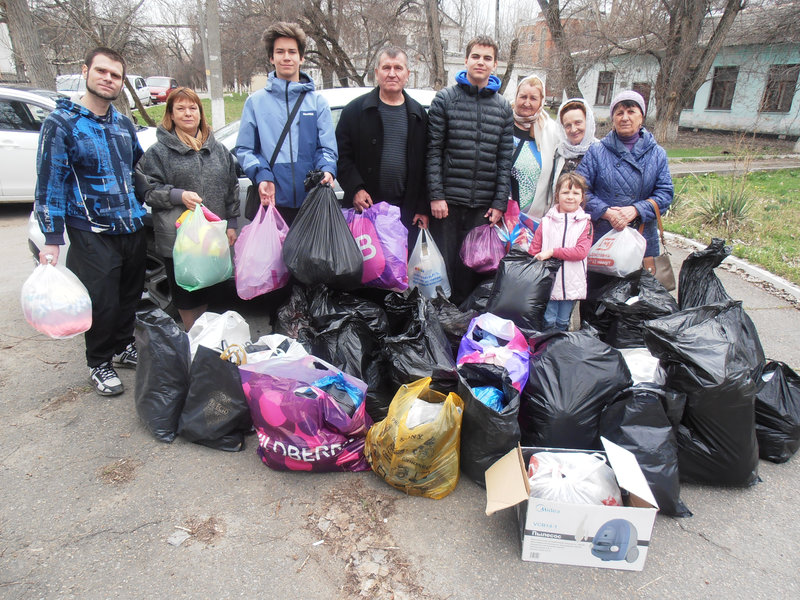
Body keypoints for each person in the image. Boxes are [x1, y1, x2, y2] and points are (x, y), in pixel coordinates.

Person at [35, 47, 145, 396]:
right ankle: (99, 363)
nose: (108, 79)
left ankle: (124, 346)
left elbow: (137, 170)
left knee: (130, 296)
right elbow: (49, 182)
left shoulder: (123, 124)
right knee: (102, 301)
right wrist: (51, 238)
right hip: (90, 230)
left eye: (115, 75)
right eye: (102, 71)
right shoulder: (62, 123)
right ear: (86, 71)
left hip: (131, 225)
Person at [136, 87, 240, 331]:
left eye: (193, 108)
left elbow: (231, 188)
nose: (187, 113)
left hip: (212, 237)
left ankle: (210, 342)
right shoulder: (158, 153)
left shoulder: (218, 150)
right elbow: (147, 190)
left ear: (200, 113)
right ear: (170, 115)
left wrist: (232, 223)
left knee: (213, 290)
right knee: (186, 292)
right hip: (180, 238)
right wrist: (177, 195)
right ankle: (193, 336)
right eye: (180, 108)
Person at [426, 35, 513, 304]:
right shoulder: (445, 99)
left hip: (483, 207)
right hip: (448, 204)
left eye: (487, 58)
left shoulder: (503, 107)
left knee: (473, 269)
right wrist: (436, 195)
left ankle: (464, 325)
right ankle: (440, 321)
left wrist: (499, 203)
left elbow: (504, 159)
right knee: (444, 269)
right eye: (476, 56)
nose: (481, 62)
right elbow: (433, 151)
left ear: (495, 64)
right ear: (466, 60)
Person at [234, 21, 337, 226]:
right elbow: (245, 150)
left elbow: (327, 149)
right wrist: (262, 176)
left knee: (311, 260)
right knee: (273, 259)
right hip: (272, 204)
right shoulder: (255, 103)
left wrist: (327, 169)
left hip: (311, 205)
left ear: (301, 57)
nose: (286, 57)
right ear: (272, 58)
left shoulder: (317, 103)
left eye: (292, 51)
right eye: (280, 52)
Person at [576, 90, 673, 280]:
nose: (625, 118)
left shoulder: (657, 154)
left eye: (631, 111)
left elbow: (665, 194)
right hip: (602, 240)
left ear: (641, 117)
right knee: (597, 301)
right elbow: (579, 191)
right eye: (619, 113)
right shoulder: (597, 151)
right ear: (613, 119)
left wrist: (636, 210)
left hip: (641, 237)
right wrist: (607, 212)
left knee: (636, 301)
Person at [336, 46, 429, 242]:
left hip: (406, 215)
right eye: (386, 68)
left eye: (398, 68)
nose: (392, 74)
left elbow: (428, 165)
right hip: (364, 212)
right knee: (366, 271)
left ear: (407, 74)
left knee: (400, 271)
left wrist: (422, 207)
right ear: (377, 73)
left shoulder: (419, 116)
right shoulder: (355, 111)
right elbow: (342, 157)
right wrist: (355, 189)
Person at [529, 172, 593, 331]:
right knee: (548, 319)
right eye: (565, 192)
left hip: (572, 283)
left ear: (582, 197)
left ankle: (559, 351)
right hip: (549, 282)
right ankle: (545, 350)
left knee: (563, 321)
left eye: (576, 193)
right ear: (557, 195)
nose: (570, 197)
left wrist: (552, 252)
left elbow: (580, 252)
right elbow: (534, 249)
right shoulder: (546, 222)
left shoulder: (585, 224)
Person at [510, 75, 559, 219]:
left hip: (535, 217)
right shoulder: (503, 122)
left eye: (533, 98)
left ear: (541, 101)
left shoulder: (551, 131)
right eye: (523, 97)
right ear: (516, 97)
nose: (527, 103)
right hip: (500, 214)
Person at [549, 98, 598, 200]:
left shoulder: (600, 151)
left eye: (578, 123)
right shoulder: (558, 152)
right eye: (568, 125)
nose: (573, 129)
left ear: (587, 122)